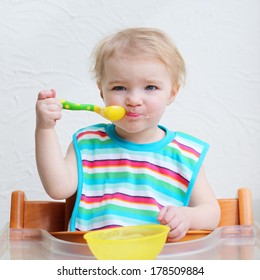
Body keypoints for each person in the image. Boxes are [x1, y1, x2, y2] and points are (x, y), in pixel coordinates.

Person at [35, 27, 220, 241]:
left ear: (172, 92)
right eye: (119, 88)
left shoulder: (185, 154)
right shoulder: (89, 143)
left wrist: (188, 216)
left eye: (150, 87)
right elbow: (58, 188)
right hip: (94, 261)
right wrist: (45, 129)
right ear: (102, 91)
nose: (133, 99)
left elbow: (212, 212)